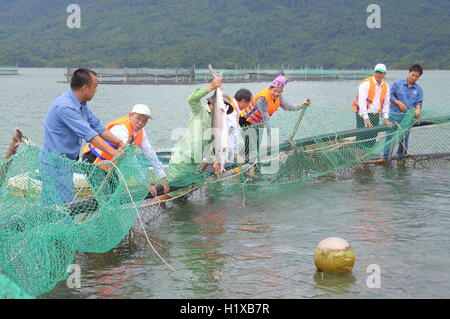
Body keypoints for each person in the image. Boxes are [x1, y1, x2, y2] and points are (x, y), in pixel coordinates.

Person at [40, 68, 125, 205]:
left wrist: (120, 143)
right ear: (85, 88)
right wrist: (114, 153)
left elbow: (97, 126)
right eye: (95, 86)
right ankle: (62, 226)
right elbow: (90, 135)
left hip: (66, 162)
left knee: (61, 201)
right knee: (62, 205)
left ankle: (59, 224)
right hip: (54, 162)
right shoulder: (65, 106)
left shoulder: (81, 104)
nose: (96, 90)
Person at [82, 104, 169, 196]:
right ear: (130, 115)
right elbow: (131, 159)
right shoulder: (121, 129)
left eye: (144, 121)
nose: (140, 123)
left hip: (109, 165)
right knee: (104, 195)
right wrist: (145, 183)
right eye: (138, 118)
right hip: (93, 160)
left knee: (114, 192)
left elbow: (151, 155)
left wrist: (163, 178)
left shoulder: (141, 133)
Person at [239, 75, 310, 164]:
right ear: (270, 88)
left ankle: (252, 169)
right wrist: (271, 137)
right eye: (275, 91)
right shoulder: (263, 99)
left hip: (257, 122)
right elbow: (266, 118)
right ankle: (239, 168)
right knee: (250, 146)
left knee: (256, 146)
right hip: (246, 120)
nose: (276, 94)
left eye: (279, 92)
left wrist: (301, 105)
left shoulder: (279, 97)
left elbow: (287, 107)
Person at [376, 64, 424, 165]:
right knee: (389, 136)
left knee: (404, 138)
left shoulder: (419, 90)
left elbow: (419, 103)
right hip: (393, 115)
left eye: (417, 76)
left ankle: (400, 158)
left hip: (407, 117)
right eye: (413, 75)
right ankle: (385, 157)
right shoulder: (398, 83)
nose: (414, 77)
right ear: (409, 72)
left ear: (419, 77)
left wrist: (418, 110)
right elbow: (389, 96)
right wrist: (399, 103)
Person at [351, 64, 393, 166]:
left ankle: (365, 160)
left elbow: (386, 103)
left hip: (375, 115)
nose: (378, 74)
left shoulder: (386, 86)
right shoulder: (366, 84)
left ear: (384, 74)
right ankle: (358, 162)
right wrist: (365, 117)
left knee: (372, 138)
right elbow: (361, 101)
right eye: (376, 72)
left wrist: (386, 118)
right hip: (362, 114)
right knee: (361, 137)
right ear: (374, 72)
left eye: (380, 72)